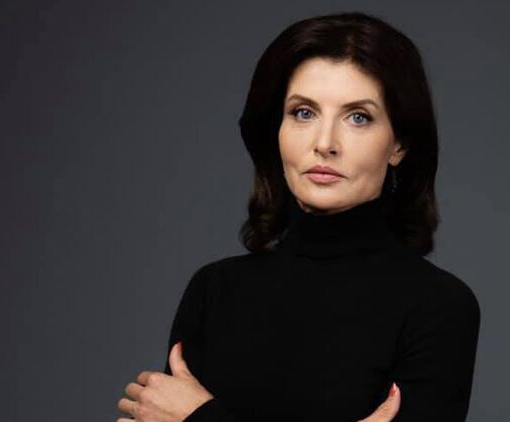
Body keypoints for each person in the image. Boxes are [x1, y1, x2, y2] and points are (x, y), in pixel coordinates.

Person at [117, 11, 480, 422]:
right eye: (304, 113)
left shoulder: (439, 306)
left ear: (399, 143)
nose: (325, 143)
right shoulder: (214, 291)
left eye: (358, 117)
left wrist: (199, 418)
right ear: (277, 130)